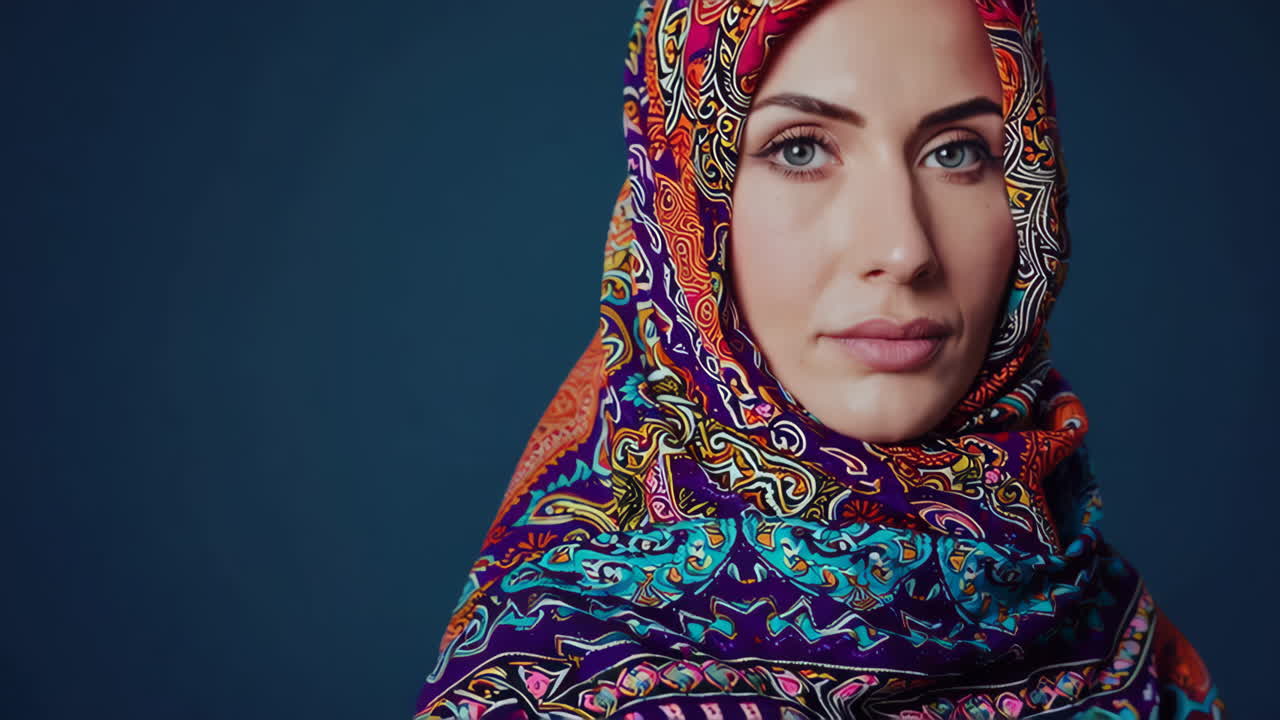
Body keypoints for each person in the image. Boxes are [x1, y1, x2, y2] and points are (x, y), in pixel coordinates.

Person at [413, 0, 1226, 717]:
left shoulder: (1113, 630)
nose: (903, 249)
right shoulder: (550, 680)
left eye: (956, 152)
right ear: (682, 203)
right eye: (801, 149)